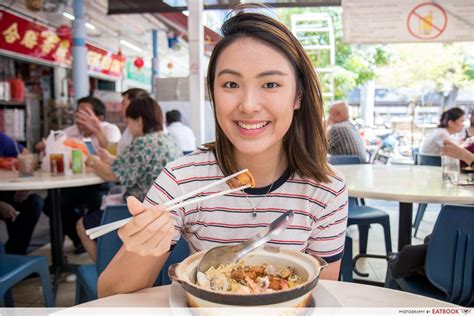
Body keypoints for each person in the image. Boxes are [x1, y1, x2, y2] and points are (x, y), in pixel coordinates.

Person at [98, 6, 348, 297]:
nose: (249, 105)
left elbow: (321, 295)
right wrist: (140, 245)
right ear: (213, 93)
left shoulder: (325, 189)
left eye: (270, 84)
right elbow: (110, 295)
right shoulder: (182, 180)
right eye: (231, 84)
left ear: (298, 96)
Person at [76, 97, 182, 261]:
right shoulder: (169, 140)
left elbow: (112, 175)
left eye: (129, 122)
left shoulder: (142, 143)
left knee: (82, 226)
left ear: (139, 121)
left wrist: (91, 160)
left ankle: (104, 270)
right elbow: (136, 164)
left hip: (141, 213)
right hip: (169, 213)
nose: (129, 127)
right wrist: (111, 159)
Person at [40, 97, 121, 254]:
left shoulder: (110, 129)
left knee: (98, 200)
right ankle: (79, 241)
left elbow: (115, 157)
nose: (80, 117)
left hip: (101, 182)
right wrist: (46, 148)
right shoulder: (68, 133)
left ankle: (99, 246)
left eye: (86, 113)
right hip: (73, 184)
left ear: (100, 117)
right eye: (77, 113)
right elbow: (53, 157)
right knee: (52, 204)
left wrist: (97, 130)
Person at [0, 132, 43, 254]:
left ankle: (14, 254)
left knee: (34, 202)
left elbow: (28, 157)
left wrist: (25, 183)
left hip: (5, 191)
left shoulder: (2, 140)